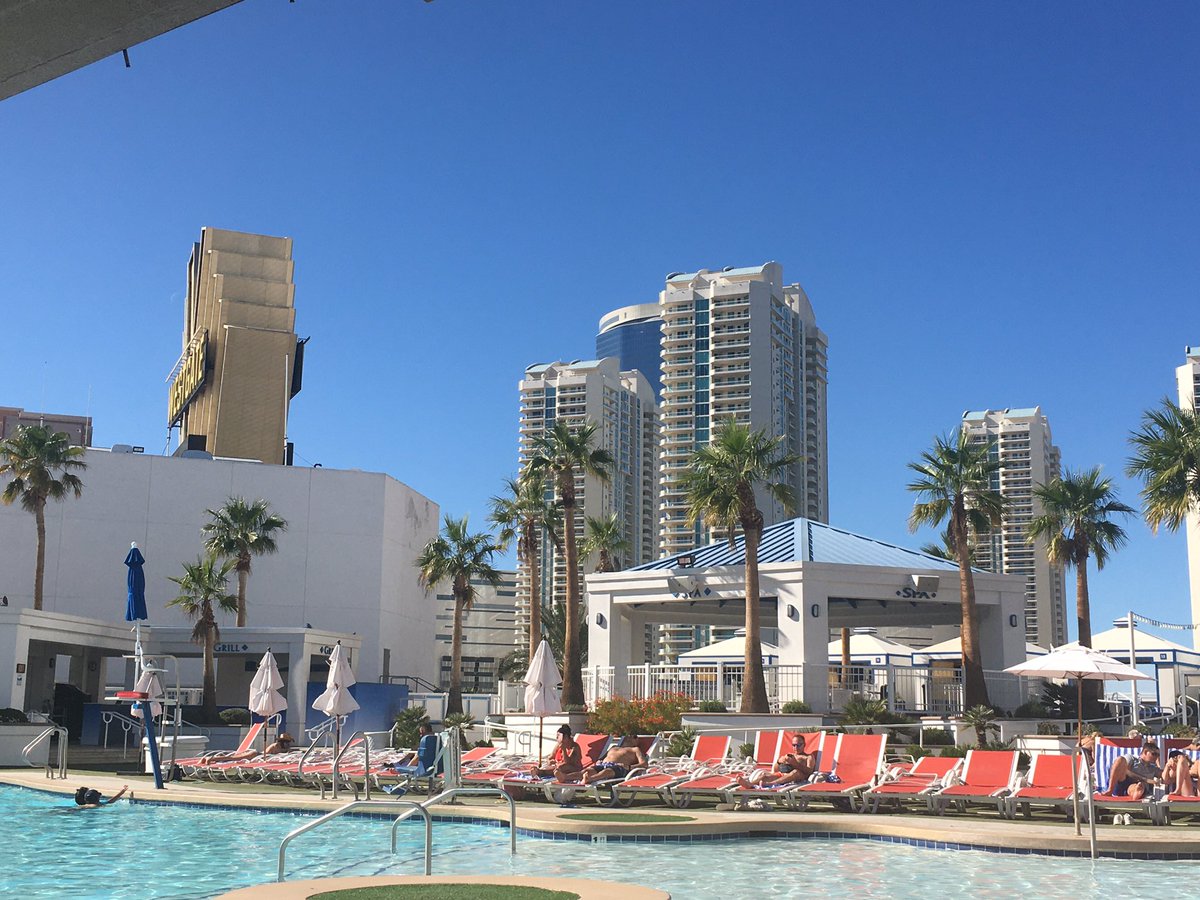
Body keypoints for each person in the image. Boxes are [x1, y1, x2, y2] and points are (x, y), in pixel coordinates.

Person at [733, 734, 816, 790]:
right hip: (783, 774)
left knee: (795, 772)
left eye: (798, 745)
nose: (796, 747)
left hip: (798, 776)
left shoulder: (808, 757)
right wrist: (779, 762)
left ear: (804, 744)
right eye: (794, 745)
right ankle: (749, 784)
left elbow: (809, 771)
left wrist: (795, 763)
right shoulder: (789, 755)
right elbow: (776, 769)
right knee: (764, 775)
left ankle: (770, 784)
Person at [578, 735, 647, 785]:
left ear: (637, 741)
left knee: (607, 771)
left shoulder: (635, 749)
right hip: (603, 765)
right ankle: (567, 777)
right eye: (628, 735)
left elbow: (644, 764)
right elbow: (601, 758)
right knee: (586, 771)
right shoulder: (614, 747)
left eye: (634, 737)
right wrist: (599, 761)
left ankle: (589, 779)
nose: (630, 737)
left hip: (619, 767)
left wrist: (629, 767)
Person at [197, 732, 294, 765]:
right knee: (232, 758)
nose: (288, 744)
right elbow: (266, 754)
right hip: (255, 755)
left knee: (233, 757)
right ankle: (211, 759)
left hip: (254, 755)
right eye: (287, 742)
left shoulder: (282, 747)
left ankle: (206, 758)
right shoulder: (275, 746)